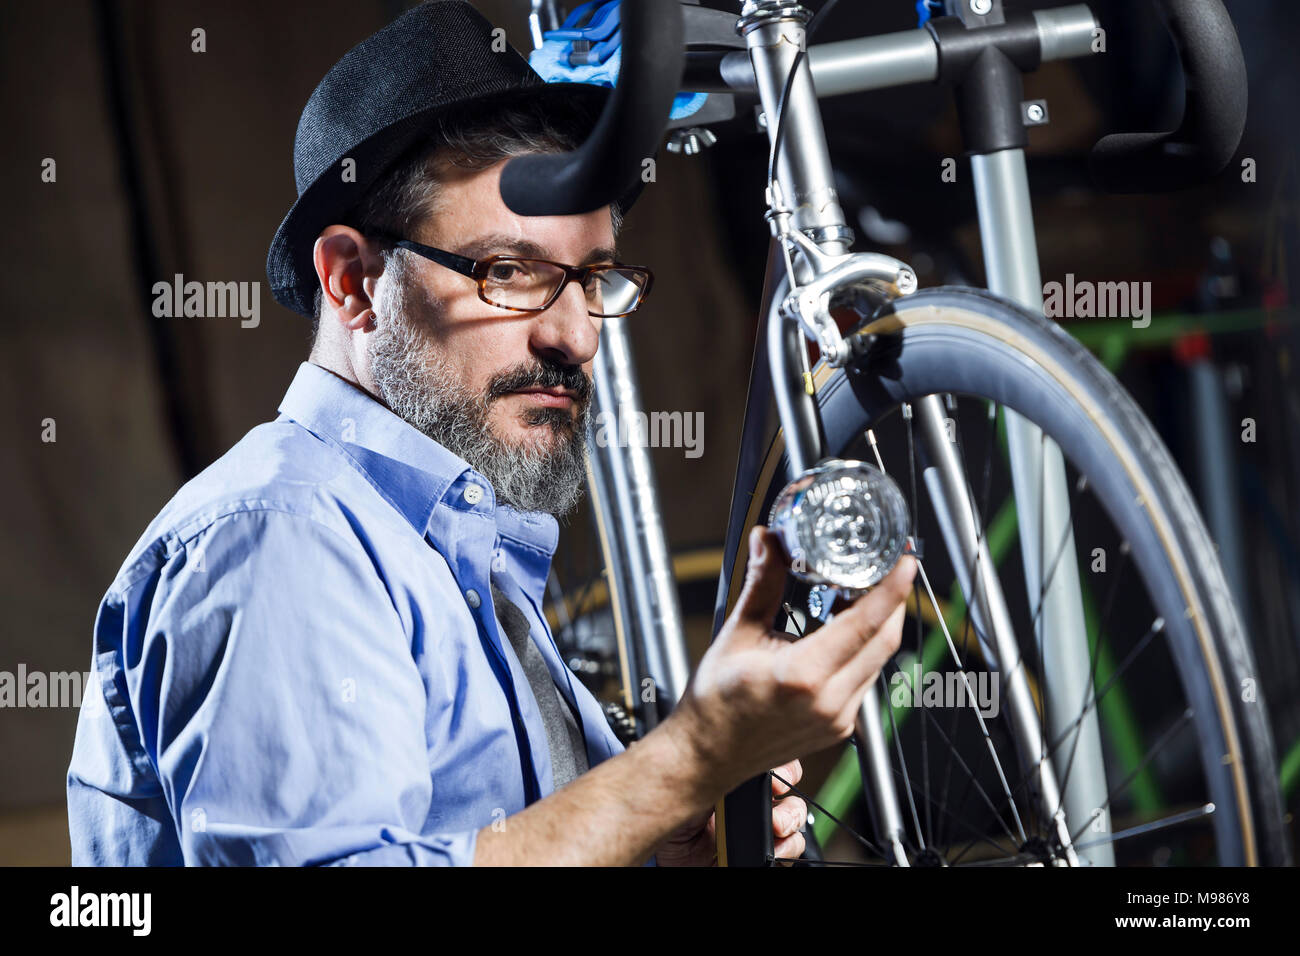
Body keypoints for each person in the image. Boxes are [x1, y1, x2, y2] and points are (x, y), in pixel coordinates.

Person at [66, 0, 915, 866]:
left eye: (593, 280)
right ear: (354, 283)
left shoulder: (467, 559)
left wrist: (663, 846)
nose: (576, 335)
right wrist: (689, 758)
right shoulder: (282, 536)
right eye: (509, 272)